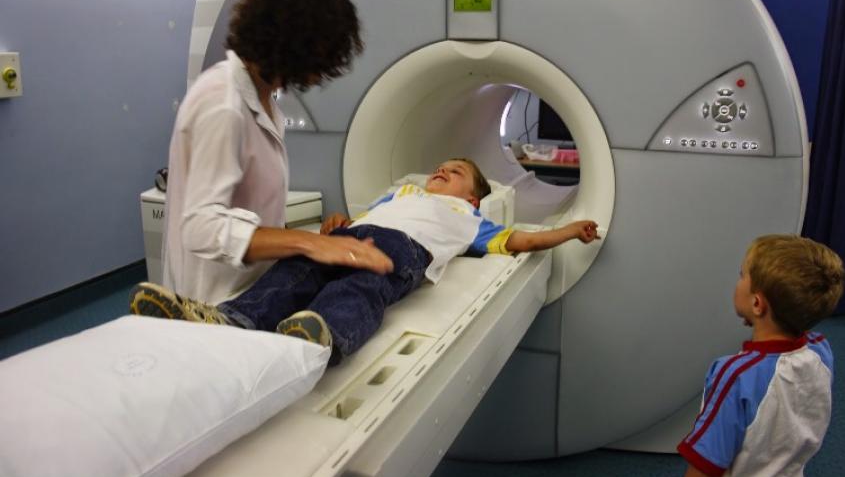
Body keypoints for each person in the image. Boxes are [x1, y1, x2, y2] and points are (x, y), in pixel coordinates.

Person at [131, 158, 600, 365]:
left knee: (361, 286)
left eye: (454, 172)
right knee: (297, 266)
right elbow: (366, 217)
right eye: (439, 166)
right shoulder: (401, 192)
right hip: (354, 235)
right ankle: (234, 317)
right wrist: (340, 222)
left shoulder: (467, 218)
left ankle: (327, 333)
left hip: (403, 249)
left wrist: (567, 231)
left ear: (474, 197)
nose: (441, 171)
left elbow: (519, 240)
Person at [161, 0, 392, 306]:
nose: (321, 74)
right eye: (324, 55)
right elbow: (200, 227)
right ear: (300, 44)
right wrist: (309, 242)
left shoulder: (264, 99)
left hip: (254, 289)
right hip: (214, 300)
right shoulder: (224, 104)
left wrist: (311, 244)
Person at [678, 234, 845, 477]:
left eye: (742, 275)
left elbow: (705, 467)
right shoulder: (820, 349)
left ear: (757, 304)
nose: (738, 280)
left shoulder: (735, 375)